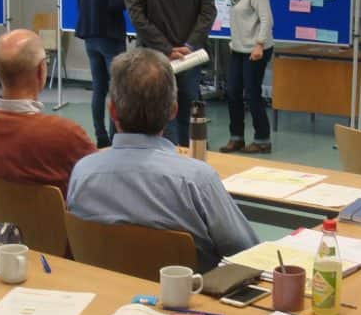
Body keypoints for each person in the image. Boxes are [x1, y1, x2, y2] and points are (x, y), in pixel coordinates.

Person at [67, 48, 257, 271]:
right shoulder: (197, 180)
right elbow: (248, 253)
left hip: (106, 296)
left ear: (112, 111)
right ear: (173, 110)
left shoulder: (82, 173)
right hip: (186, 299)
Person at [121, 0, 216, 146]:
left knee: (159, 115)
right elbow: (208, 10)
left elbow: (138, 20)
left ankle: (166, 161)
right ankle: (192, 161)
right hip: (189, 57)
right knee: (190, 113)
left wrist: (166, 48)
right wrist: (189, 45)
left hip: (153, 59)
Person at [0, 29, 95, 197]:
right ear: (40, 70)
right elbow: (99, 173)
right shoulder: (64, 133)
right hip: (57, 223)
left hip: (3, 221)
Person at [219, 0, 274, 154]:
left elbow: (266, 18)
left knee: (252, 94)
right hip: (239, 49)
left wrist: (259, 44)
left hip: (256, 49)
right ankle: (236, 137)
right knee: (232, 92)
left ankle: (262, 139)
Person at [76, 0, 126, 148]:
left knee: (99, 88)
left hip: (90, 37)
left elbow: (80, 2)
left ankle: (101, 135)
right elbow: (116, 4)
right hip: (110, 36)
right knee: (117, 88)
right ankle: (117, 136)